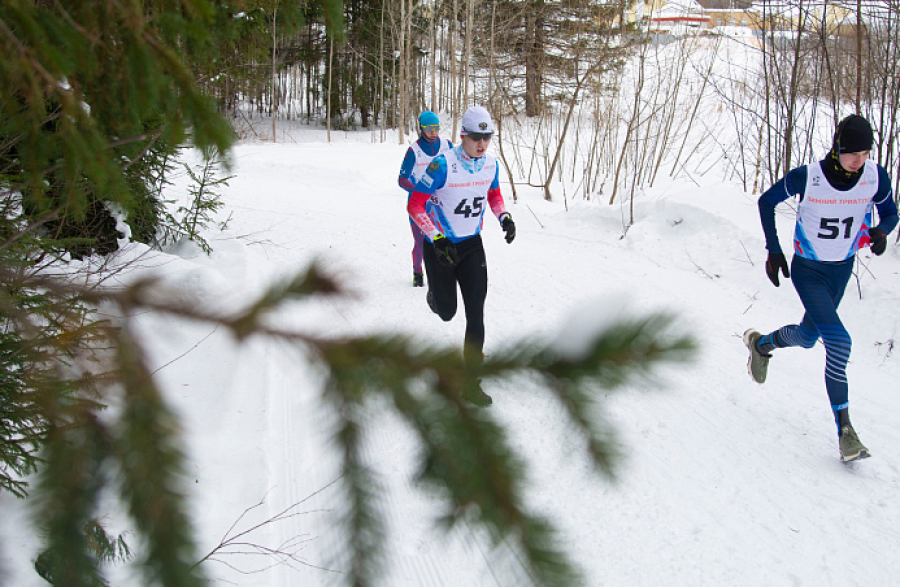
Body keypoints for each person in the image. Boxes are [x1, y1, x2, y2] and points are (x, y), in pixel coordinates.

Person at [743, 114, 897, 462]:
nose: (861, 161)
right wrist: (774, 249)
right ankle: (846, 432)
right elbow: (766, 201)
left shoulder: (874, 176)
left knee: (810, 336)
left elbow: (890, 212)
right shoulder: (808, 177)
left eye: (866, 153)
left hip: (842, 269)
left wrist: (881, 232)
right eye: (854, 153)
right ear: (838, 148)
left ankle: (761, 344)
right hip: (808, 271)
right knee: (839, 341)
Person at [407, 105, 516, 406]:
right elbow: (415, 206)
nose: (482, 143)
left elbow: (493, 194)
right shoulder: (441, 164)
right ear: (463, 135)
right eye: (476, 137)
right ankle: (435, 297)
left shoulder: (490, 165)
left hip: (471, 247)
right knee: (447, 313)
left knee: (476, 313)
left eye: (487, 137)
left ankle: (471, 383)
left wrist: (504, 217)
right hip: (440, 248)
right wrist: (436, 237)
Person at [398, 111, 453, 287]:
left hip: (442, 204)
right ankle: (417, 272)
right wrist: (421, 190)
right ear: (421, 128)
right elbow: (402, 179)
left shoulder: (447, 145)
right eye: (429, 128)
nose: (433, 132)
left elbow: (456, 168)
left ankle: (444, 272)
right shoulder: (413, 150)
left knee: (444, 239)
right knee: (421, 242)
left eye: (436, 128)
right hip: (419, 204)